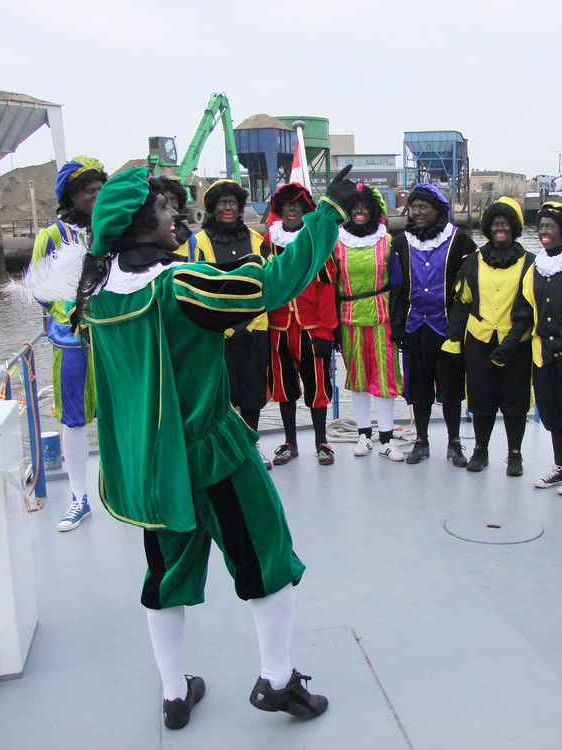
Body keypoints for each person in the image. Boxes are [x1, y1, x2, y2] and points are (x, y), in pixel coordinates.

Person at [69, 166, 358, 729]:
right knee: (266, 559)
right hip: (212, 456)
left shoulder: (96, 293)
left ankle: (174, 693)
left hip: (152, 466)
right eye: (164, 209)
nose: (176, 216)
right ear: (139, 223)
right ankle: (276, 681)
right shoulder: (178, 284)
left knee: (165, 577)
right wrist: (329, 214)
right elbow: (272, 284)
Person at [27, 156, 107, 531]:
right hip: (72, 341)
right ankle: (79, 498)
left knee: (122, 410)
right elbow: (39, 290)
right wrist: (72, 313)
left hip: (113, 335)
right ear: (72, 195)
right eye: (90, 191)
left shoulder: (113, 228)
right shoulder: (52, 236)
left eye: (101, 189)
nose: (97, 196)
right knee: (73, 418)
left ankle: (126, 489)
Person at [497, 202, 562, 495]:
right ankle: (559, 467)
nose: (544, 232)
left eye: (549, 227)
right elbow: (524, 312)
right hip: (542, 355)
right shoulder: (535, 268)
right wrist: (508, 345)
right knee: (553, 414)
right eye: (540, 227)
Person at [180, 179, 273, 470]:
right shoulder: (199, 243)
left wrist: (250, 322)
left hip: (256, 328)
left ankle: (252, 446)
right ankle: (229, 452)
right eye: (223, 202)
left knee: (254, 394)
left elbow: (268, 282)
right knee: (222, 394)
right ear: (213, 208)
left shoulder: (257, 241)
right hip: (218, 333)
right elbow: (194, 285)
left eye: (233, 201)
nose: (228, 207)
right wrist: (229, 325)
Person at [442, 197, 535, 475]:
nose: (500, 228)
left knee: (515, 402)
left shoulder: (531, 263)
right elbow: (461, 305)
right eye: (495, 224)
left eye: (505, 223)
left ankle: (515, 454)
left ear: (514, 227)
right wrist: (453, 341)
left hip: (516, 343)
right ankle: (480, 450)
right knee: (481, 400)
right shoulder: (472, 261)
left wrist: (514, 339)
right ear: (488, 228)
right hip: (479, 341)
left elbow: (531, 308)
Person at [390, 183, 477, 466]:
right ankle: (421, 441)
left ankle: (454, 442)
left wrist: (461, 327)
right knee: (419, 389)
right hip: (415, 327)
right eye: (413, 207)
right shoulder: (401, 243)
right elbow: (396, 288)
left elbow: (470, 289)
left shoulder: (460, 242)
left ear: (437, 210)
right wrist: (397, 326)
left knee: (451, 389)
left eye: (423, 207)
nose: (417, 212)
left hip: (448, 327)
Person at [264, 183, 338, 466]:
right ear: (280, 209)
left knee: (318, 387)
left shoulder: (317, 244)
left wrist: (325, 332)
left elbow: (327, 289)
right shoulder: (268, 242)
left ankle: (322, 442)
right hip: (278, 328)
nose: (292, 209)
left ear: (306, 209)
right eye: (287, 205)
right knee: (284, 388)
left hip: (311, 328)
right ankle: (290, 443)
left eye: (297, 204)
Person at [332, 182, 405, 460]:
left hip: (382, 318)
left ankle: (386, 439)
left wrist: (400, 322)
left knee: (385, 378)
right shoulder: (336, 242)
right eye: (355, 207)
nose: (359, 211)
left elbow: (399, 284)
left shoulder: (388, 241)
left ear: (373, 210)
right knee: (358, 377)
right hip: (348, 318)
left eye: (364, 207)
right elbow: (330, 286)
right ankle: (363, 436)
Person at [156, 175, 196, 256]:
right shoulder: (144, 237)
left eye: (172, 199)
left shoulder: (189, 239)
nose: (169, 205)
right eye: (164, 200)